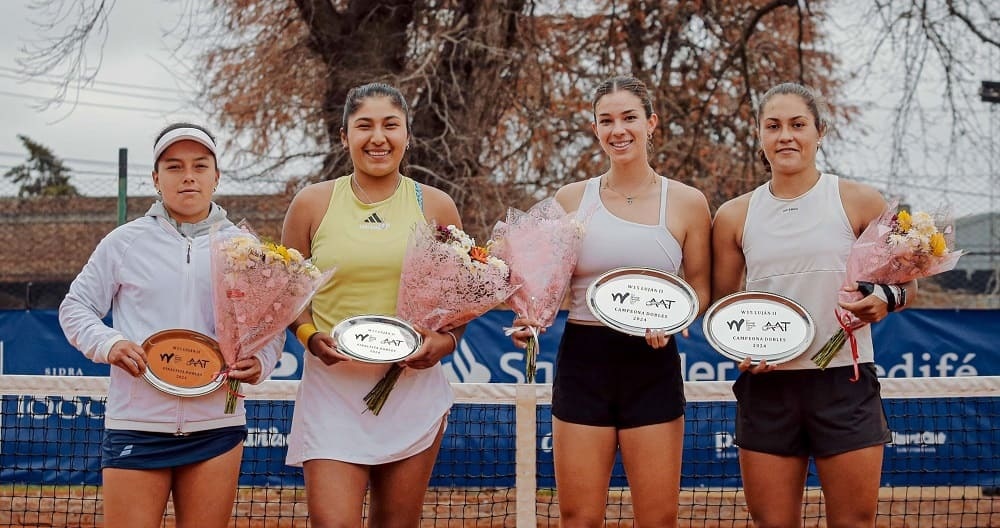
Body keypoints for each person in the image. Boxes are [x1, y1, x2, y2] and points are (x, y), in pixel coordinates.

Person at [711, 82, 917, 528]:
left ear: (819, 132)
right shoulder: (733, 215)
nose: (786, 136)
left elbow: (906, 286)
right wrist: (741, 348)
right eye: (774, 126)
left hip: (845, 383)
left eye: (798, 125)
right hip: (767, 389)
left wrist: (883, 300)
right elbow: (722, 306)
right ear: (760, 135)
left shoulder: (861, 201)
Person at [58, 122, 284, 528]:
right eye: (175, 166)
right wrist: (109, 342)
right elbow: (75, 307)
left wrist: (262, 361)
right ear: (156, 178)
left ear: (217, 176)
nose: (188, 176)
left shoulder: (246, 249)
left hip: (217, 426)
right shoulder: (123, 242)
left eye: (200, 165)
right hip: (136, 425)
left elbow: (270, 326)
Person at [510, 76, 712, 527]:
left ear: (651, 123)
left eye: (629, 118)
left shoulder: (688, 203)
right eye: (607, 121)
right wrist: (530, 319)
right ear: (596, 129)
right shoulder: (569, 199)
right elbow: (544, 286)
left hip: (652, 362)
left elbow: (700, 288)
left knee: (657, 518)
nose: (618, 130)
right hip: (584, 361)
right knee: (579, 517)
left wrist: (677, 319)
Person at [281, 82, 464, 527]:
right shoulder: (311, 203)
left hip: (411, 393)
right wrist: (309, 336)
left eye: (390, 125)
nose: (377, 137)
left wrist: (444, 342)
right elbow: (286, 294)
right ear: (344, 136)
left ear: (407, 134)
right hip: (332, 390)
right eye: (364, 126)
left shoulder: (436, 205)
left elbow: (459, 301)